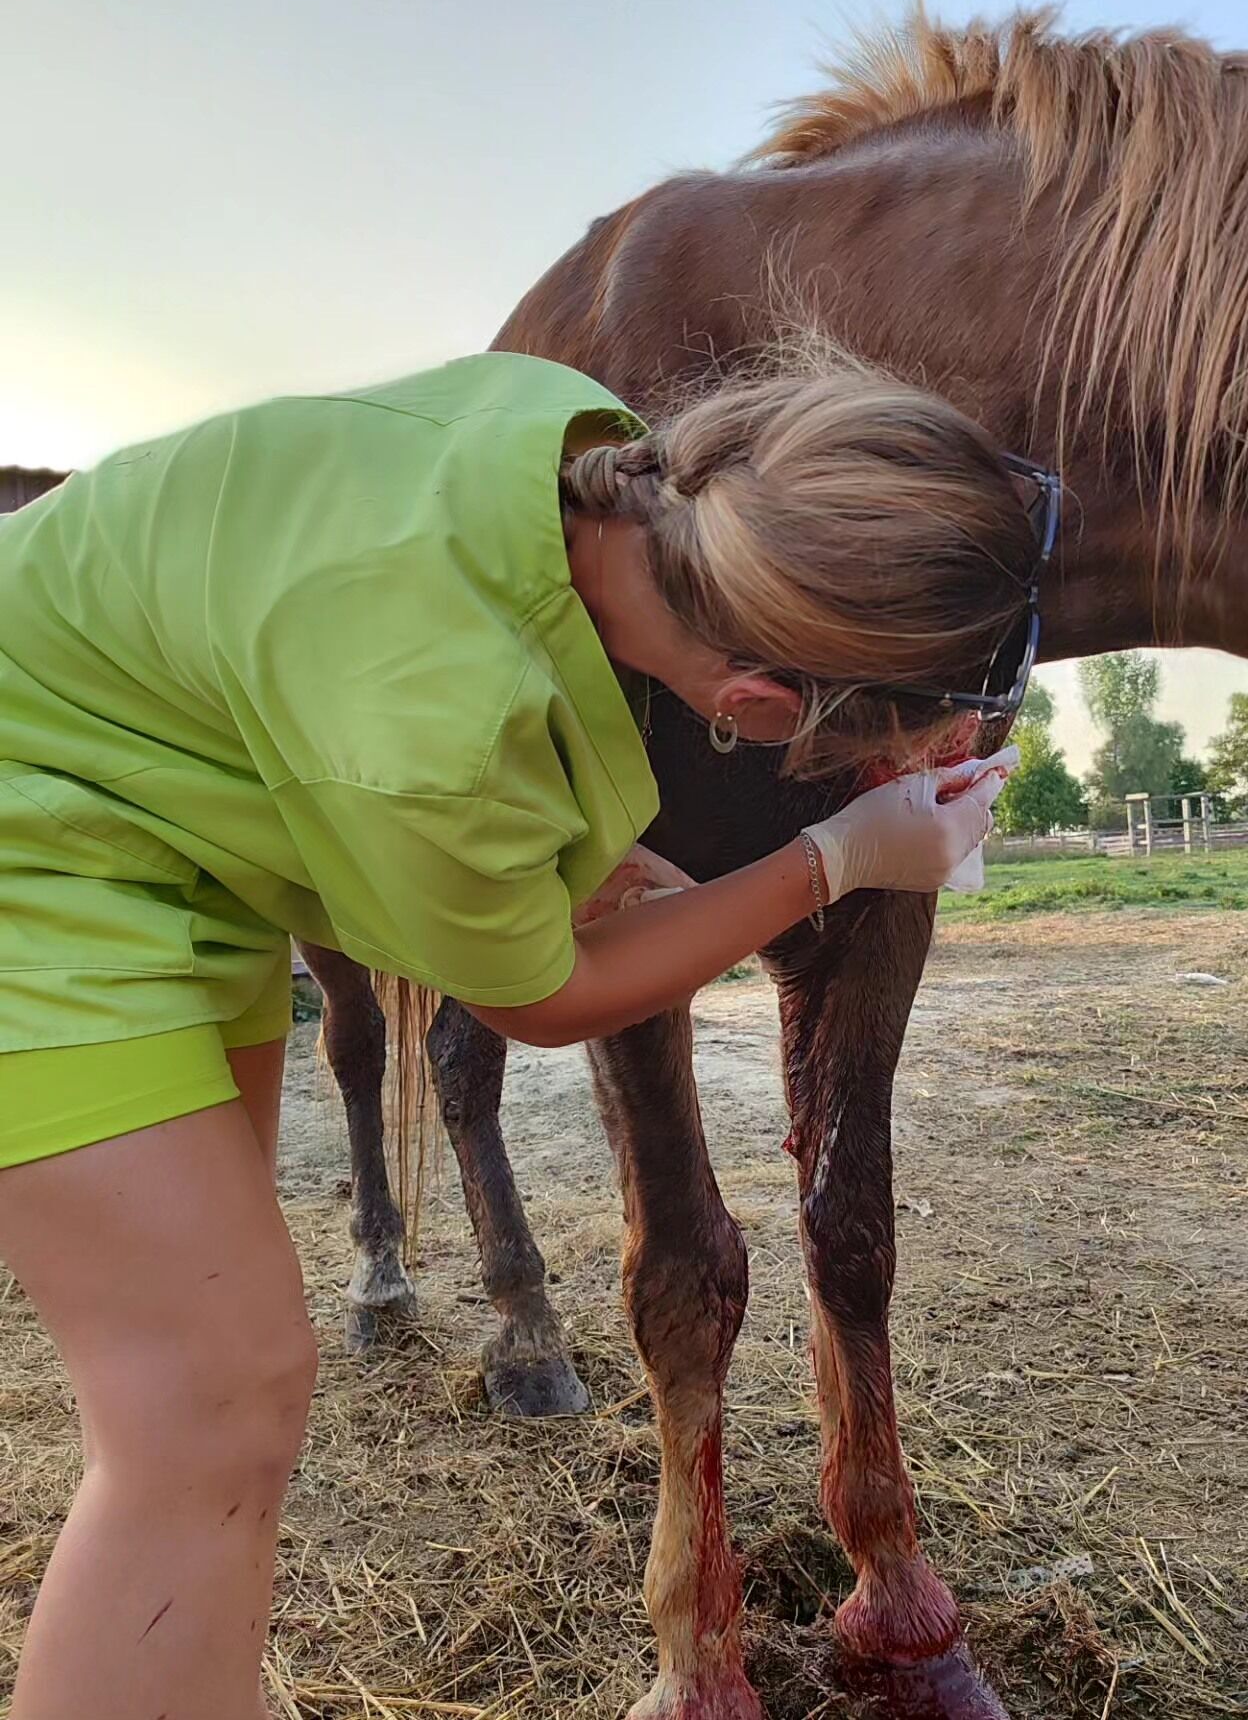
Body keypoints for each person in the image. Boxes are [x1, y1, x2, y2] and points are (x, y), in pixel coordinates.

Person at [0, 350, 1038, 1719]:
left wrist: (582, 870)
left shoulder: (567, 431)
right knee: (207, 1412)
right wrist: (838, 856)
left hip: (173, 821)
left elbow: (363, 726)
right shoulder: (445, 724)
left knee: (205, 1426)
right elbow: (534, 999)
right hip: (46, 835)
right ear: (757, 701)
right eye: (859, 743)